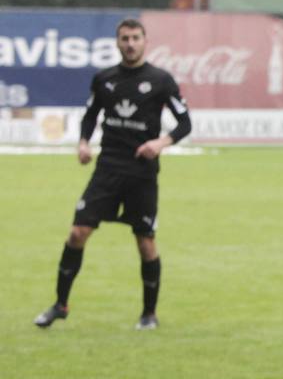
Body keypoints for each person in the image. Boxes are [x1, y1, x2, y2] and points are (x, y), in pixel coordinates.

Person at [33, 18, 191, 331]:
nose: (130, 44)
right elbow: (91, 115)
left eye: (135, 38)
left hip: (142, 174)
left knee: (145, 242)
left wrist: (160, 142)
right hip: (107, 169)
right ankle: (60, 305)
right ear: (117, 43)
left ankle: (149, 314)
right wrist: (82, 143)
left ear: (145, 41)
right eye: (124, 39)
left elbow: (185, 123)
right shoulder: (104, 79)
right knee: (77, 233)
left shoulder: (161, 80)